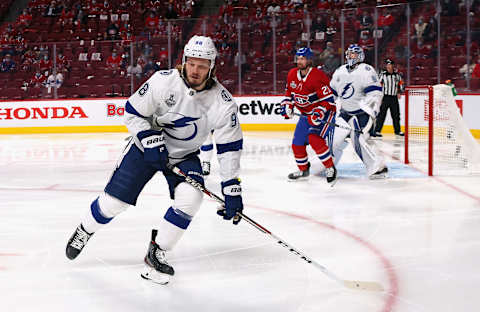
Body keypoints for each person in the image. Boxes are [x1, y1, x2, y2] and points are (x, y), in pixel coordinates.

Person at [65, 35, 244, 285]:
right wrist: (150, 139)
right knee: (113, 204)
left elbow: (229, 147)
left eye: (202, 65)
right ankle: (84, 230)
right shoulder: (163, 82)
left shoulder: (222, 103)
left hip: (183, 156)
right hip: (144, 149)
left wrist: (232, 187)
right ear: (184, 61)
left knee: (191, 199)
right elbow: (132, 112)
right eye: (192, 63)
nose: (195, 70)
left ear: (212, 67)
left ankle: (157, 251)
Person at [280, 47, 338, 185]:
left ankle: (330, 168)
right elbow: (289, 94)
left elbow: (329, 99)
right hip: (306, 115)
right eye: (298, 58)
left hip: (325, 113)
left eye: (302, 58)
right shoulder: (292, 74)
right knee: (297, 144)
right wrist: (287, 105)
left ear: (309, 60)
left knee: (314, 139)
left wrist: (319, 112)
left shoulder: (318, 76)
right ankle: (304, 170)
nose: (299, 61)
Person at [329, 44, 388, 179]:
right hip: (344, 113)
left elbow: (375, 93)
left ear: (360, 56)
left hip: (361, 114)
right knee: (335, 140)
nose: (351, 56)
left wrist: (371, 110)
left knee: (357, 140)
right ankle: (328, 164)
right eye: (349, 54)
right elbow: (332, 93)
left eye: (354, 54)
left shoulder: (366, 70)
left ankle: (376, 166)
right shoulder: (340, 71)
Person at [373, 58, 404, 137]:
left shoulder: (397, 75)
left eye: (390, 64)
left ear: (393, 66)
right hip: (385, 97)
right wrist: (378, 94)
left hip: (394, 97)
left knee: (396, 115)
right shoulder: (383, 75)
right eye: (387, 64)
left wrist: (400, 92)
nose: (388, 66)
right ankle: (377, 130)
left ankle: (397, 130)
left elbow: (401, 84)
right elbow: (378, 84)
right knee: (382, 114)